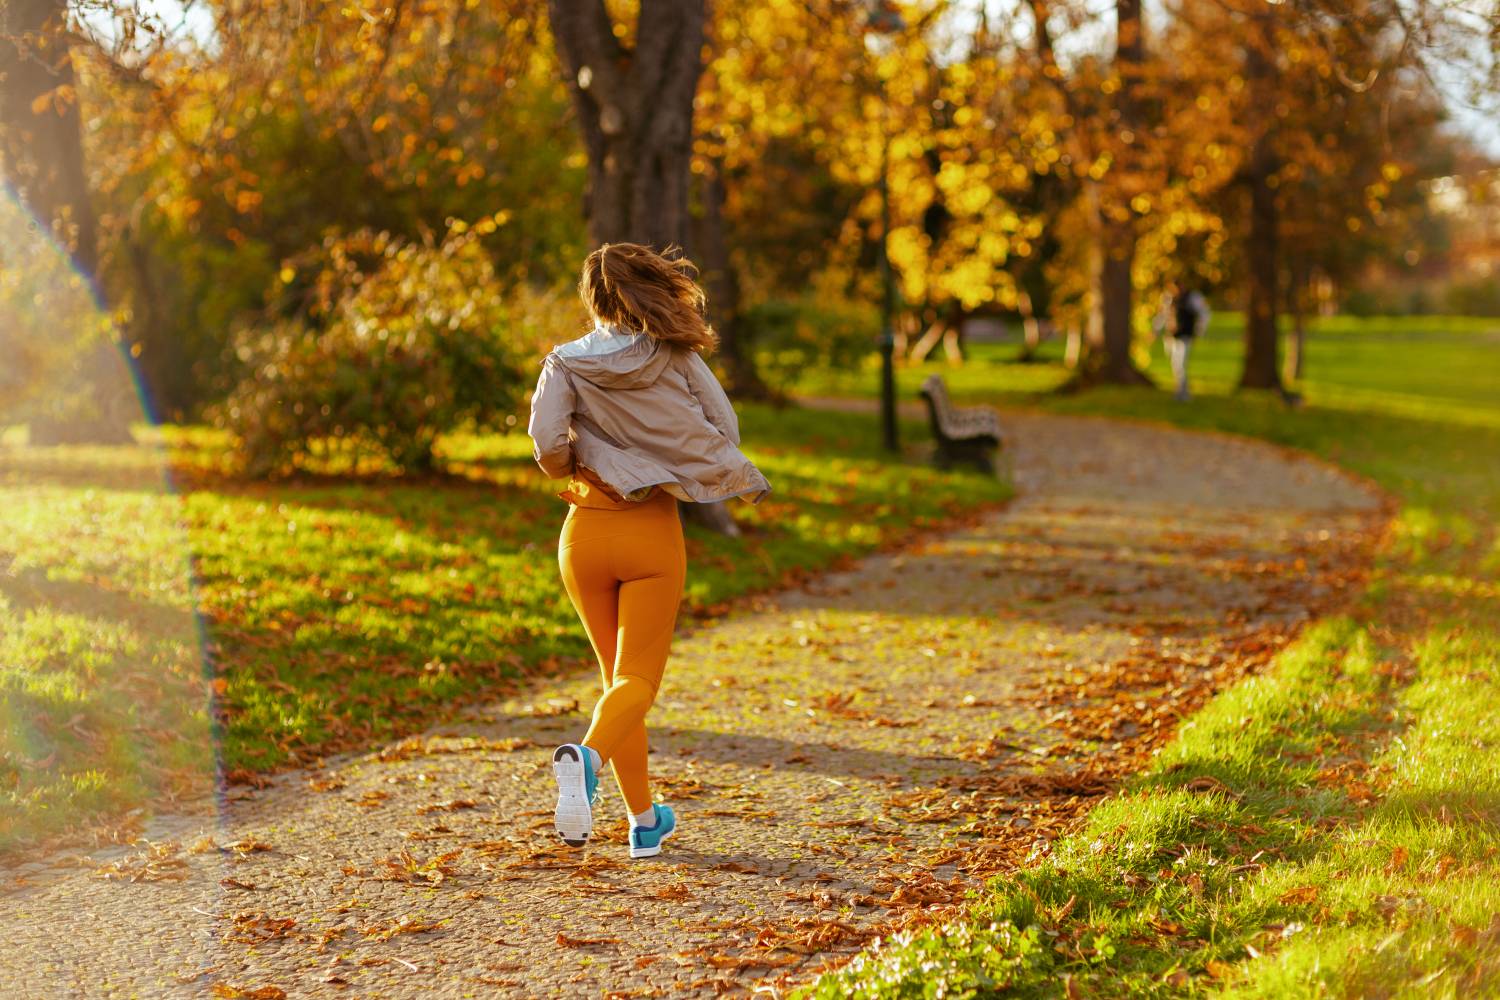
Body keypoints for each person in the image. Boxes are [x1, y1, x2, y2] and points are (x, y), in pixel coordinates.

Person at [527, 242, 770, 859]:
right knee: (636, 679)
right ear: (649, 289)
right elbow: (725, 428)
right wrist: (670, 451)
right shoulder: (675, 353)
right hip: (650, 530)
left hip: (584, 531)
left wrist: (582, 457)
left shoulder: (563, 361)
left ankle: (643, 822)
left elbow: (547, 443)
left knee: (616, 683)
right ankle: (586, 759)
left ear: (592, 298)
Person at [1164, 281, 1209, 401]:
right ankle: (1181, 390)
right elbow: (1164, 315)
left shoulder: (1192, 297)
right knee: (1175, 364)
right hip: (1173, 336)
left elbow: (1205, 314)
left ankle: (1183, 393)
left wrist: (1199, 330)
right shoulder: (1170, 298)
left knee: (1181, 364)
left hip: (1186, 335)